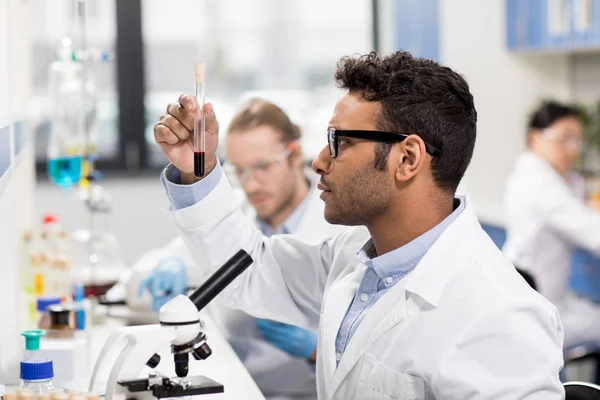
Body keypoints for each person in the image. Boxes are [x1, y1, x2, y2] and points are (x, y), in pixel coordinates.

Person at [154, 51, 565, 399]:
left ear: (407, 159)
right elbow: (249, 268)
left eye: (341, 142)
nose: (318, 161)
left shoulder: (499, 317)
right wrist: (198, 170)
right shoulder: (355, 257)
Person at [120, 99, 347, 400]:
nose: (251, 186)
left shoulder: (339, 231)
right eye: (239, 171)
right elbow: (137, 279)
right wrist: (161, 270)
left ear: (294, 156)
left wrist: (316, 351)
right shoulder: (231, 218)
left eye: (263, 167)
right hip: (227, 384)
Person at [503, 100, 600, 350]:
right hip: (540, 308)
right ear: (535, 137)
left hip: (533, 296)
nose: (573, 150)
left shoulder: (536, 174)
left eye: (577, 140)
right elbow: (594, 234)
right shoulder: (542, 186)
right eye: (565, 138)